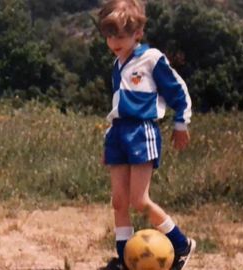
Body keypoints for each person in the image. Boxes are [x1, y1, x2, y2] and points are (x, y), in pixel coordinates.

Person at [97, 1, 196, 269]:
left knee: (139, 201)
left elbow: (178, 91)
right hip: (118, 132)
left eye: (120, 35)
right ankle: (124, 260)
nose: (113, 41)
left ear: (137, 33)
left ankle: (181, 243)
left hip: (142, 132)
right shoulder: (117, 65)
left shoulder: (151, 58)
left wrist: (180, 123)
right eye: (109, 36)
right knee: (119, 201)